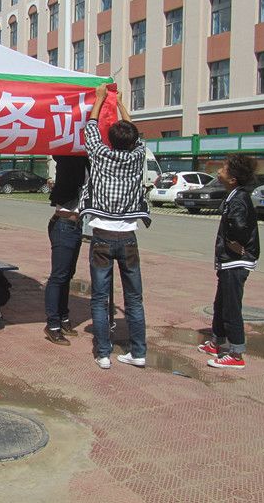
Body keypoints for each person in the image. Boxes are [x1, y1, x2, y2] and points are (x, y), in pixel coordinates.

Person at [81, 84, 150, 370]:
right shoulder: (138, 156)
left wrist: (99, 100)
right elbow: (136, 134)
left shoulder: (100, 154)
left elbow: (91, 126)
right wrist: (121, 105)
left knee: (99, 297)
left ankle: (103, 353)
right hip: (128, 238)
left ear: (109, 138)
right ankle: (138, 352)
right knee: (134, 298)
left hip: (101, 236)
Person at [198, 154, 260, 369]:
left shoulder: (239, 199)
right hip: (228, 261)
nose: (219, 171)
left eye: (224, 168)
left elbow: (240, 228)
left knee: (231, 308)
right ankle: (217, 342)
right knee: (220, 303)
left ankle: (236, 353)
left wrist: (235, 244)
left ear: (233, 178)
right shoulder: (234, 195)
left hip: (236, 262)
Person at [43, 155, 90, 346]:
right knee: (59, 276)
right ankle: (52, 324)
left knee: (67, 275)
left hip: (76, 226)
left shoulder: (88, 161)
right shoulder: (69, 158)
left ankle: (63, 318)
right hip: (63, 225)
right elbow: (58, 153)